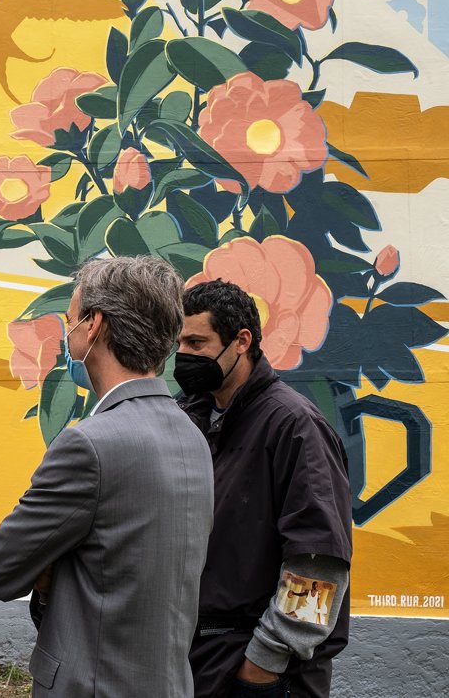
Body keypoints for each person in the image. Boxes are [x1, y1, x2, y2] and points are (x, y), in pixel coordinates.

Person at [0, 256, 214, 698]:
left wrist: (52, 566)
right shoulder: (192, 436)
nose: (67, 334)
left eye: (70, 321)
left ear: (94, 325)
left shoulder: (89, 444)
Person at [176, 279, 352, 698]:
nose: (183, 355)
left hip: (264, 673)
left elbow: (319, 564)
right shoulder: (187, 417)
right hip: (198, 660)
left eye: (197, 343)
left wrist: (263, 664)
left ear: (242, 341)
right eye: (179, 343)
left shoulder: (295, 426)